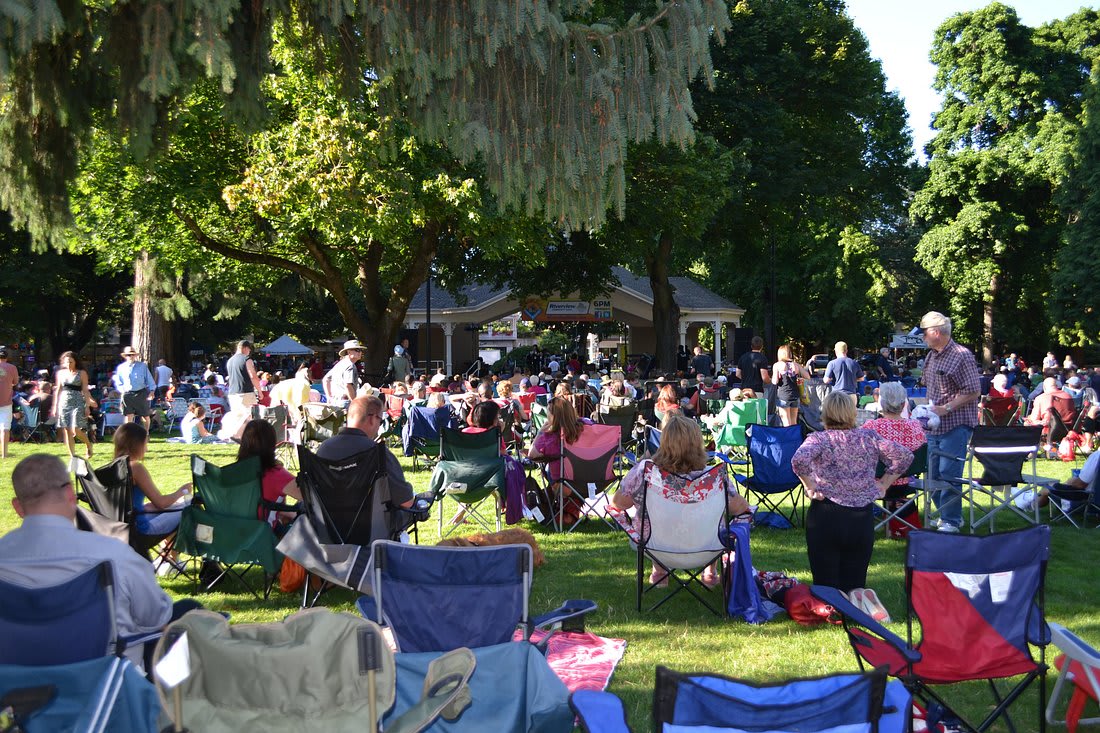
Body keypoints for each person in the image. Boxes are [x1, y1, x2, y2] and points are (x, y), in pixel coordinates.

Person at [0, 454, 204, 666]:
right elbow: (156, 616)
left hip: (18, 684)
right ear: (71, 495)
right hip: (107, 682)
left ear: (18, 507)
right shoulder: (112, 555)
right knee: (191, 609)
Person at [791, 392, 912, 595]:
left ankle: (832, 612)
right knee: (855, 584)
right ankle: (854, 613)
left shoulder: (820, 439)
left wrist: (809, 485)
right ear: (852, 414)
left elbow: (799, 460)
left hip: (826, 514)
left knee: (825, 585)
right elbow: (904, 456)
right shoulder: (868, 437)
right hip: (861, 517)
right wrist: (884, 484)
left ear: (825, 414)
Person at [612, 414, 750, 587]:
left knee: (648, 519)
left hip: (656, 547)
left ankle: (660, 572)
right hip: (707, 547)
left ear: (664, 442)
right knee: (718, 521)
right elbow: (742, 508)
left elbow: (618, 504)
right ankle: (710, 572)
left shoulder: (645, 471)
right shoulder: (713, 476)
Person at [315, 396, 415, 540]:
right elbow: (406, 502)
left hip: (330, 532)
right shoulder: (378, 453)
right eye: (380, 421)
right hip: (372, 534)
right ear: (372, 419)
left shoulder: (324, 449)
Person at [917, 311, 980, 533]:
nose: (922, 337)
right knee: (932, 476)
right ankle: (947, 514)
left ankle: (951, 520)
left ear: (936, 332)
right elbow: (931, 389)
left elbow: (973, 391)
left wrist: (946, 408)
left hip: (956, 424)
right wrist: (927, 411)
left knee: (949, 474)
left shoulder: (961, 355)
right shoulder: (932, 355)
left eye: (924, 333)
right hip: (933, 425)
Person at [114, 422, 192, 537]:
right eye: (145, 444)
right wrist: (182, 491)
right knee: (190, 508)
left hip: (117, 527)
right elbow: (161, 503)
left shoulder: (112, 467)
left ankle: (168, 554)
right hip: (139, 530)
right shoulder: (135, 468)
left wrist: (144, 507)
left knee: (172, 506)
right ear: (137, 445)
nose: (146, 449)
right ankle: (171, 554)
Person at [236, 419, 301, 527]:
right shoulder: (276, 474)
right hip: (263, 536)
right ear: (272, 444)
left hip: (236, 533)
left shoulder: (232, 472)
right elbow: (310, 497)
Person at [52, 351, 97, 459]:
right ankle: (72, 456)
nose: (68, 364)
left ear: (75, 362)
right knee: (67, 429)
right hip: (64, 402)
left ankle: (88, 444)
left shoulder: (81, 373)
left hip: (77, 402)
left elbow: (85, 390)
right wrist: (55, 406)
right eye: (67, 362)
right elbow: (58, 389)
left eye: (71, 362)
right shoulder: (60, 373)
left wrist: (87, 406)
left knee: (75, 429)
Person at [114, 345, 156, 431]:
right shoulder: (121, 368)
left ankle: (146, 433)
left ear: (135, 356)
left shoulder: (142, 366)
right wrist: (123, 390)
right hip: (127, 394)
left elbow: (150, 380)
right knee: (129, 416)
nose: (131, 356)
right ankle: (129, 435)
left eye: (132, 354)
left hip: (141, 393)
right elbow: (118, 382)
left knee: (145, 415)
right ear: (125, 356)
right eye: (128, 355)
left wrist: (152, 391)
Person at [772, 345, 810, 427]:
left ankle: (788, 439)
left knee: (786, 421)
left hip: (783, 396)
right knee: (794, 421)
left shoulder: (777, 365)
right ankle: (795, 439)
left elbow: (774, 382)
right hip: (795, 395)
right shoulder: (796, 365)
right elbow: (807, 376)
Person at [323, 339, 364, 406]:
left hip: (335, 402)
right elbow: (348, 385)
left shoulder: (339, 364)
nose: (360, 352)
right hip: (346, 402)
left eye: (360, 350)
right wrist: (354, 403)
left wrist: (329, 397)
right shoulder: (350, 365)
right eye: (357, 350)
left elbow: (326, 379)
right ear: (349, 352)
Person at [225, 340, 262, 412]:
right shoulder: (247, 359)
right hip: (245, 393)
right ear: (245, 348)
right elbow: (253, 376)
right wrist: (259, 391)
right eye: (249, 349)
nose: (249, 351)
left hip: (232, 394)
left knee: (237, 418)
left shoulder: (229, 361)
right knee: (250, 417)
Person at [0, 347, 18, 458]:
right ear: (7, 357)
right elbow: (15, 382)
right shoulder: (12, 367)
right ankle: (4, 454)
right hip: (6, 402)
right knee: (5, 428)